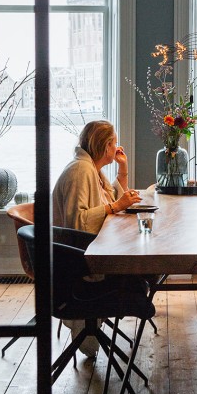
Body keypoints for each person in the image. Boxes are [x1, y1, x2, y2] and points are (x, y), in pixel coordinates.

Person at [52, 119, 146, 356]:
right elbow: (78, 222)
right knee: (140, 270)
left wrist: (122, 170)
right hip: (76, 266)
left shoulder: (90, 169)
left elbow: (110, 196)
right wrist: (116, 206)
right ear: (105, 146)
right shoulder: (80, 171)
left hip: (80, 256)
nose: (117, 147)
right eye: (114, 142)